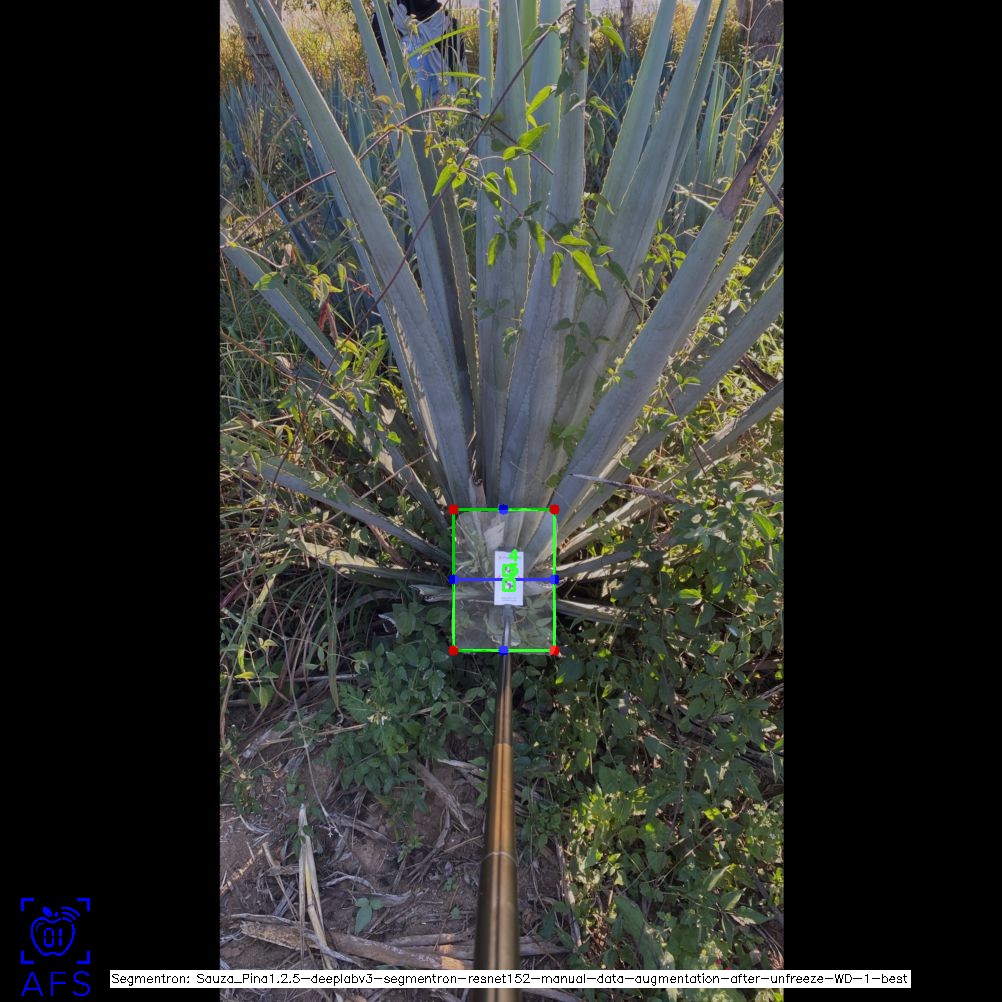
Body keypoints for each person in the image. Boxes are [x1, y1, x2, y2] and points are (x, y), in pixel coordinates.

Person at [370, 1, 466, 102]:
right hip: (398, 108)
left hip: (442, 109)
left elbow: (461, 84)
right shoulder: (384, 19)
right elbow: (377, 76)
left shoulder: (449, 26)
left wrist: (444, 102)